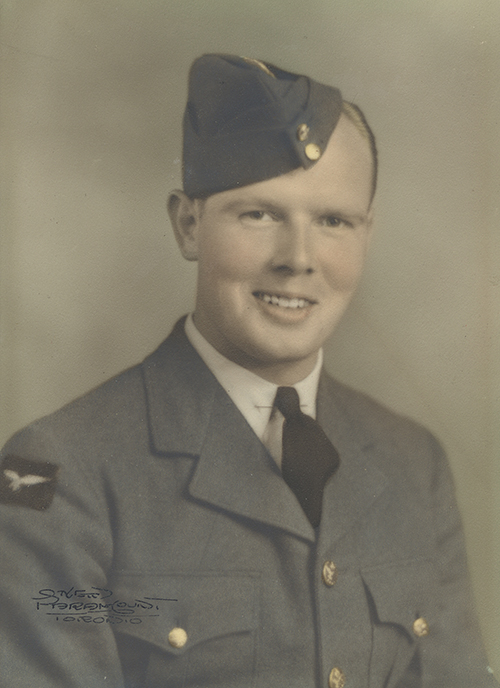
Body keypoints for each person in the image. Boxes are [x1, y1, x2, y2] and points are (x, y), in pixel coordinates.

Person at [0, 54, 496, 688]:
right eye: (259, 214)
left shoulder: (412, 462)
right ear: (188, 225)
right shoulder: (62, 474)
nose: (298, 259)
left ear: (366, 237)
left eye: (333, 222)